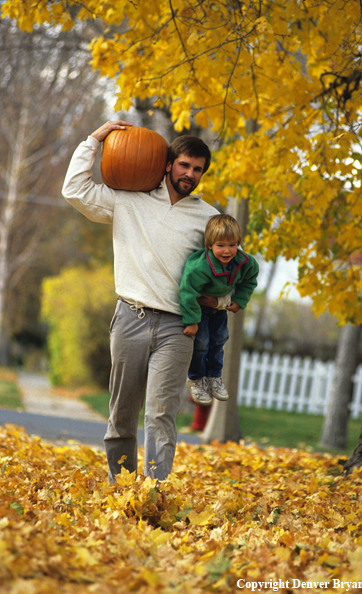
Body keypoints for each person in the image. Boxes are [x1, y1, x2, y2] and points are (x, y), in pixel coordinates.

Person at [62, 120, 219, 482]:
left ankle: (154, 492)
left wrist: (220, 297)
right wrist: (94, 138)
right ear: (168, 164)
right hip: (130, 316)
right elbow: (74, 190)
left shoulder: (208, 218)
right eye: (184, 165)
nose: (190, 174)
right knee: (122, 414)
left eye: (197, 169)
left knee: (161, 414)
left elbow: (228, 268)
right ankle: (123, 488)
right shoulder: (126, 199)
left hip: (178, 327)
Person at [179, 214, 259, 406]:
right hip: (199, 309)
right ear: (209, 245)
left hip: (220, 309)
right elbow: (188, 292)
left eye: (232, 245)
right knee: (202, 342)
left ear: (238, 244)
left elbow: (250, 280)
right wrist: (191, 320)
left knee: (220, 340)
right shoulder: (200, 267)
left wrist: (239, 300)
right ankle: (196, 379)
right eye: (220, 245)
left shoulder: (245, 263)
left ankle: (214, 377)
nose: (227, 251)